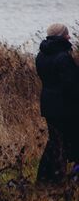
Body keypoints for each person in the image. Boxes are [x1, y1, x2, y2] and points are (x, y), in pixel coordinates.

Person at [35, 23, 79, 184]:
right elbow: (72, 85)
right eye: (67, 34)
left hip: (48, 106)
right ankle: (55, 178)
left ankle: (48, 177)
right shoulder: (63, 58)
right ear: (62, 36)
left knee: (55, 141)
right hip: (65, 108)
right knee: (67, 142)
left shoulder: (40, 55)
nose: (69, 37)